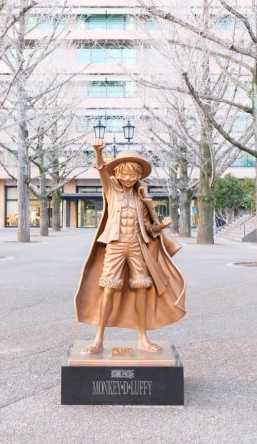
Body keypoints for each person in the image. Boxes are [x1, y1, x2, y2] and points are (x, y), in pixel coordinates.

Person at [74, 139, 186, 354]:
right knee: (108, 289)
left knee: (142, 288)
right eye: (124, 174)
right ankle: (98, 339)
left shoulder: (141, 198)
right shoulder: (111, 189)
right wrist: (98, 152)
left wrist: (159, 227)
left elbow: (148, 228)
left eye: (133, 174)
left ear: (139, 176)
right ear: (117, 172)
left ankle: (143, 337)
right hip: (115, 246)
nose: (128, 178)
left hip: (137, 247)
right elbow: (101, 170)